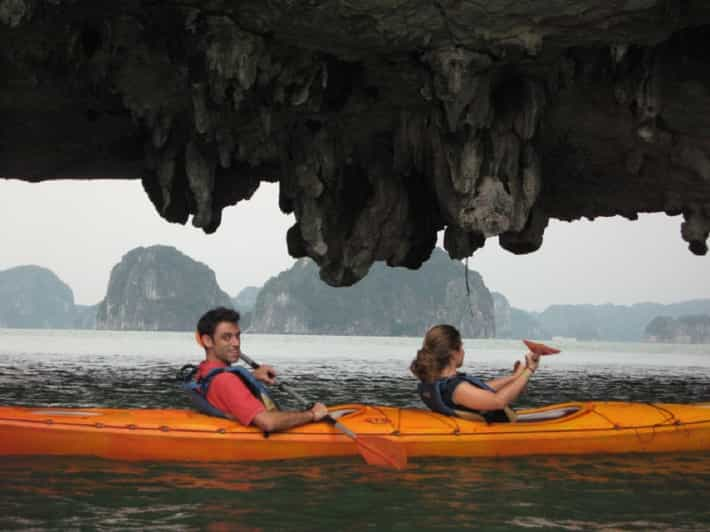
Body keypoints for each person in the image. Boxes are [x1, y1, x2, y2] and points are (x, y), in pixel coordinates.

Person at [185, 306, 328, 432]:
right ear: (208, 341)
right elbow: (268, 423)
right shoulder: (226, 381)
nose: (236, 343)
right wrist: (312, 414)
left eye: (237, 336)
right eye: (227, 337)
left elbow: (223, 387)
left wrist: (252, 377)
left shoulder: (204, 372)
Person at [410, 324, 540, 422]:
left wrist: (515, 377)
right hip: (502, 428)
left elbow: (481, 389)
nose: (463, 351)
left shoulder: (437, 381)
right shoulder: (456, 389)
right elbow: (498, 401)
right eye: (461, 346)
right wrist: (529, 370)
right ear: (454, 354)